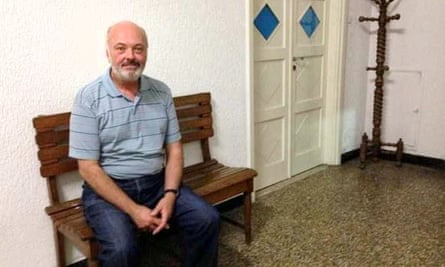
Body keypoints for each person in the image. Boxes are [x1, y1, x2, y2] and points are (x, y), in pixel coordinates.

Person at [69, 21, 220, 267]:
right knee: (121, 249)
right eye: (121, 48)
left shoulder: (161, 92)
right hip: (108, 191)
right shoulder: (88, 98)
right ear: (107, 52)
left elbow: (175, 149)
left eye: (138, 49)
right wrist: (133, 209)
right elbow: (87, 167)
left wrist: (170, 194)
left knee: (207, 219)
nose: (130, 56)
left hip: (157, 184)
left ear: (146, 53)